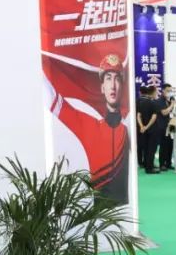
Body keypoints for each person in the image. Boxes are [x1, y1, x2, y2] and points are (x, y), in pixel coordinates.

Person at [44, 53, 130, 203]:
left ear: (122, 85)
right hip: (100, 211)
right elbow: (55, 101)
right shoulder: (90, 126)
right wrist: (42, 63)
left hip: (127, 209)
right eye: (108, 78)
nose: (113, 85)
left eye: (117, 78)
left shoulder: (128, 126)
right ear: (102, 88)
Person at [137, 86, 162, 175]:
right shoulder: (154, 103)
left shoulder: (141, 103)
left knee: (146, 148)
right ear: (153, 92)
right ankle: (149, 168)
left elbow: (138, 115)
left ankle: (147, 165)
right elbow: (154, 117)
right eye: (156, 92)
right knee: (152, 149)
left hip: (143, 130)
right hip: (153, 129)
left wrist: (142, 126)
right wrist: (147, 127)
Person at [156, 84, 175, 170]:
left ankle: (168, 163)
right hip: (162, 126)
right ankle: (162, 164)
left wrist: (172, 104)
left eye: (171, 91)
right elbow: (164, 112)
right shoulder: (160, 101)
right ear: (163, 90)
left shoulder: (169, 100)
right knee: (163, 146)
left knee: (170, 145)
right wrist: (172, 105)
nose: (169, 92)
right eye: (168, 91)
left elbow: (172, 112)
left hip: (170, 126)